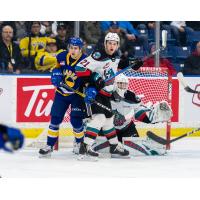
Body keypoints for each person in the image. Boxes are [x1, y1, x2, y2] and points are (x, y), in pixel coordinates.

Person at [75, 32, 143, 159]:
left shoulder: (115, 56)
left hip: (106, 93)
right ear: (105, 43)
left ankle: (114, 146)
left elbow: (120, 64)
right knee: (99, 118)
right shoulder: (98, 55)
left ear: (117, 45)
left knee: (108, 121)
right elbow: (79, 69)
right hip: (94, 92)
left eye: (114, 44)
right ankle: (85, 146)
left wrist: (134, 63)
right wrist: (95, 78)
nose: (112, 46)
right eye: (109, 43)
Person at [92, 74, 172, 156]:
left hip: (127, 128)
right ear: (115, 84)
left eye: (124, 84)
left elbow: (138, 112)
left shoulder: (132, 96)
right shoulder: (107, 95)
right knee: (103, 148)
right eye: (120, 83)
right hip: (108, 129)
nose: (122, 86)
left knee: (134, 149)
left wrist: (152, 118)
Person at [39, 37, 87, 157]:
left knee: (76, 121)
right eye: (71, 47)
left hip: (77, 95)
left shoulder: (86, 60)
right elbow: (56, 68)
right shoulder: (61, 56)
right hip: (61, 93)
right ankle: (49, 146)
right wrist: (55, 75)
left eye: (75, 48)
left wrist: (90, 88)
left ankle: (79, 144)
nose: (73, 50)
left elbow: (89, 78)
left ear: (80, 49)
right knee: (55, 119)